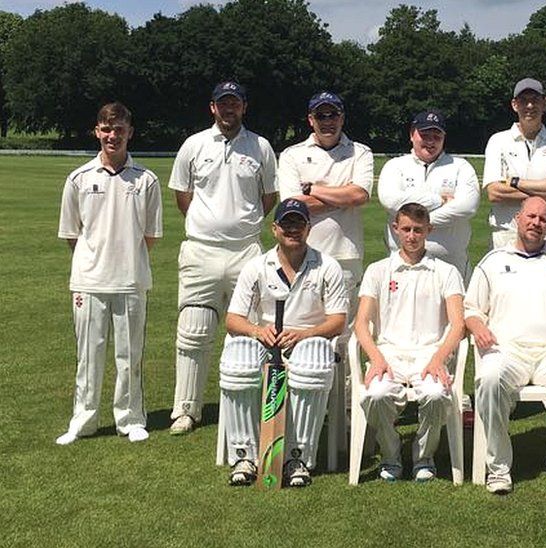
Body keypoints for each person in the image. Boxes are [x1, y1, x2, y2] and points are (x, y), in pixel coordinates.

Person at [465, 197, 546, 495]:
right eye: (531, 216)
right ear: (517, 219)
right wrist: (479, 327)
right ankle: (498, 467)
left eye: (543, 219)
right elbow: (471, 309)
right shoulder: (494, 261)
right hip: (508, 350)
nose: (536, 223)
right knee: (487, 378)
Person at [168, 81, 278, 435]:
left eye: (235, 103)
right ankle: (186, 409)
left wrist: (238, 226)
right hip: (200, 248)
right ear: (212, 107)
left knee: (249, 330)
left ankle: (244, 405)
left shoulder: (260, 146)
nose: (228, 109)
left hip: (246, 250)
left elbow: (269, 197)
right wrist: (209, 225)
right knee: (194, 329)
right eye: (222, 104)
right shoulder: (193, 145)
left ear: (244, 106)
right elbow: (183, 195)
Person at [217, 199, 347, 487]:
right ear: (274, 229)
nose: (292, 229)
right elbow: (233, 319)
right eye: (286, 224)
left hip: (310, 339)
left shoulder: (328, 267)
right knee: (238, 360)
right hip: (267, 339)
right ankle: (245, 455)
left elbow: (338, 320)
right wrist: (256, 331)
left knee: (310, 362)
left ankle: (296, 457)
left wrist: (304, 334)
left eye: (298, 223)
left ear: (308, 228)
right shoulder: (256, 266)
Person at [55, 102, 162, 445]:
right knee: (89, 356)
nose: (112, 136)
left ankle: (130, 419)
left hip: (131, 280)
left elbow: (149, 235)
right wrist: (95, 262)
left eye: (119, 129)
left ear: (130, 132)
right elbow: (73, 234)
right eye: (106, 129)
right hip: (89, 281)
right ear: (97, 132)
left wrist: (125, 260)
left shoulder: (146, 180)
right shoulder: (78, 178)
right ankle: (83, 421)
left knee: (129, 356)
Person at [353, 203, 466, 482]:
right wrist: (376, 357)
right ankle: (391, 453)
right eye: (406, 229)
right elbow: (360, 323)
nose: (412, 236)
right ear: (395, 230)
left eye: (418, 230)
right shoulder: (378, 270)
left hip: (429, 355)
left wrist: (439, 358)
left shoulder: (446, 271)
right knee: (375, 395)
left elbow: (458, 324)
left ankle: (423, 454)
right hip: (389, 354)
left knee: (436, 394)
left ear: (429, 230)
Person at [277, 91, 373, 311]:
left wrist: (313, 189)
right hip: (302, 254)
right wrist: (344, 197)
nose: (328, 121)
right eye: (321, 116)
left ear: (342, 117)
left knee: (343, 336)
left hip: (346, 256)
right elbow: (294, 208)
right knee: (303, 327)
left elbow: (359, 195)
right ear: (311, 120)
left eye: (333, 115)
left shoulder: (360, 152)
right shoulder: (292, 155)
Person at [378, 110, 479, 279]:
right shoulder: (395, 166)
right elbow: (391, 200)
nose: (430, 141)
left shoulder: (461, 166)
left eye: (437, 135)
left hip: (452, 267)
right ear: (412, 134)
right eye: (424, 135)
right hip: (403, 268)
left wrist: (415, 223)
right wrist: (438, 200)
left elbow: (466, 207)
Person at [483, 78, 546, 249]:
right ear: (514, 105)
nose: (530, 106)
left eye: (535, 100)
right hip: (506, 234)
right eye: (524, 101)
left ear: (544, 103)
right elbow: (494, 192)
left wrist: (514, 182)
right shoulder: (498, 141)